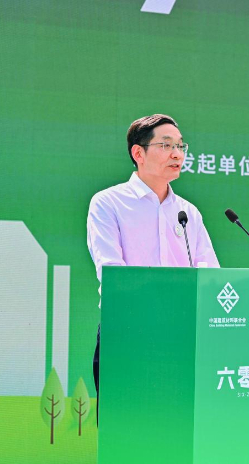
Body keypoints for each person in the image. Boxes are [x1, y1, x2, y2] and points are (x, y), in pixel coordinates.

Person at [86, 114, 220, 415]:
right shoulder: (108, 203)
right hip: (128, 332)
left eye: (181, 146)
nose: (177, 154)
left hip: (182, 335)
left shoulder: (188, 213)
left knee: (178, 424)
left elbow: (210, 273)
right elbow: (112, 273)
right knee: (125, 425)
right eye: (166, 145)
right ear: (138, 153)